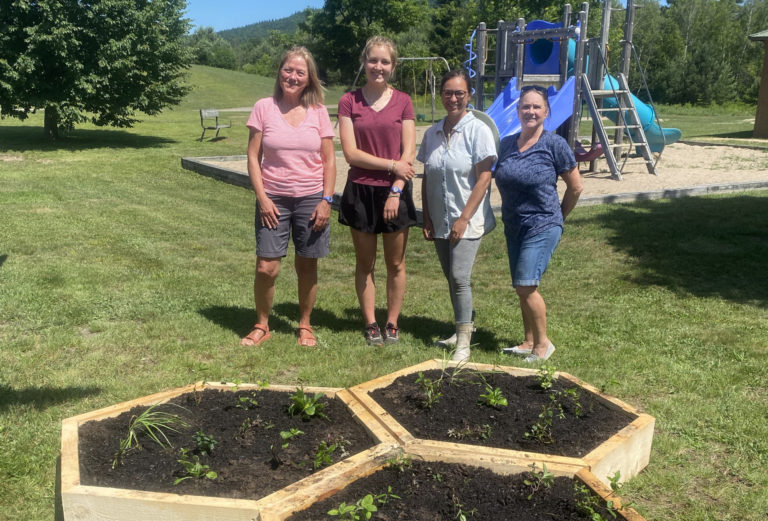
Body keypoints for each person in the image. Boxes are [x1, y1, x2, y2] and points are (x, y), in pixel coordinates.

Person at [241, 46, 336, 348]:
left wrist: (326, 200)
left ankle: (305, 325)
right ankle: (262, 324)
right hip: (274, 199)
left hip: (311, 198)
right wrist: (263, 198)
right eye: (288, 70)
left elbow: (330, 160)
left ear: (309, 78)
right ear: (279, 72)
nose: (292, 77)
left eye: (300, 72)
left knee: (307, 264)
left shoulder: (319, 111)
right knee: (266, 267)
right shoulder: (264, 107)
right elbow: (253, 156)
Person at [337, 36, 417, 346]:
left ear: (393, 66)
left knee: (395, 263)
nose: (378, 67)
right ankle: (371, 323)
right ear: (364, 62)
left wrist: (396, 188)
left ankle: (392, 323)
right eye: (373, 60)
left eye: (385, 62)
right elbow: (351, 154)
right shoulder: (349, 101)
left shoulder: (404, 101)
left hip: (395, 192)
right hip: (361, 191)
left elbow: (408, 153)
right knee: (365, 263)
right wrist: (390, 165)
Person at [495, 85, 583, 362]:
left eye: (536, 107)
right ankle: (528, 340)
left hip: (542, 224)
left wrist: (558, 217)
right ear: (518, 111)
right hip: (514, 224)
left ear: (546, 112)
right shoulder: (506, 145)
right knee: (522, 285)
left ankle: (543, 345)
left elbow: (576, 187)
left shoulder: (554, 144)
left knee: (526, 285)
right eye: (525, 106)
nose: (530, 111)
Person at [417, 69, 497, 362]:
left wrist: (463, 218)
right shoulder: (432, 133)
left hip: (468, 220)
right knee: (451, 278)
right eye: (448, 93)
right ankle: (462, 329)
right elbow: (427, 176)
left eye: (459, 93)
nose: (453, 98)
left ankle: (463, 342)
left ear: (469, 95)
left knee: (459, 276)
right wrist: (426, 216)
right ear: (442, 95)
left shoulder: (478, 131)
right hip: (440, 218)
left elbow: (484, 178)